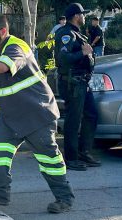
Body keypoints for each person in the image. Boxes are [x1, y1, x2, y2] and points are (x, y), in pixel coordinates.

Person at [0, 15, 75, 214]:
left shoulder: (16, 47)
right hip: (12, 117)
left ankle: (64, 198)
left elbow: (3, 67)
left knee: (48, 159)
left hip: (36, 114)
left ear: (2, 31)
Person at [54, 3, 101, 171]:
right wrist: (83, 52)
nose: (84, 16)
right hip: (72, 82)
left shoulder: (76, 33)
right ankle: (71, 159)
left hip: (82, 82)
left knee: (91, 115)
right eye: (82, 14)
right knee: (73, 120)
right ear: (76, 16)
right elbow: (63, 58)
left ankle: (84, 152)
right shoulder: (66, 34)